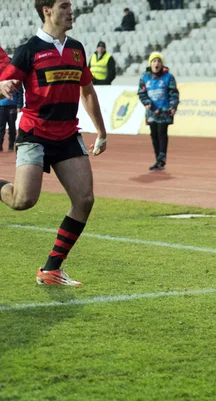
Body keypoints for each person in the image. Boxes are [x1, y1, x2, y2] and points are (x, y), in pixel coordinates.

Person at [0, 0, 108, 286]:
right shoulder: (29, 50)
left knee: (84, 200)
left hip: (68, 134)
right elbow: (6, 80)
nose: (71, 11)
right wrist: (4, 85)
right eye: (64, 6)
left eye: (70, 6)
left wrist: (102, 131)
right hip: (35, 132)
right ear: (47, 10)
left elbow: (87, 91)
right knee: (23, 201)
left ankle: (51, 269)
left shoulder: (77, 49)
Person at [137, 52, 179, 171]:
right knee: (154, 135)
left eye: (159, 61)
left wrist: (173, 106)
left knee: (162, 133)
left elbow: (173, 93)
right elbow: (141, 92)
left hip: (164, 111)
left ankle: (162, 158)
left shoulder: (168, 77)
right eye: (154, 61)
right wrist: (146, 103)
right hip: (151, 112)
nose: (157, 63)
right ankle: (158, 159)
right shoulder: (145, 77)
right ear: (150, 63)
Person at [0, 69, 23, 152]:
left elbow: (20, 93)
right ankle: (0, 146)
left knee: (12, 127)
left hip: (12, 107)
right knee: (1, 127)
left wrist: (19, 105)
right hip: (1, 107)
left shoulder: (16, 81)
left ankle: (11, 146)